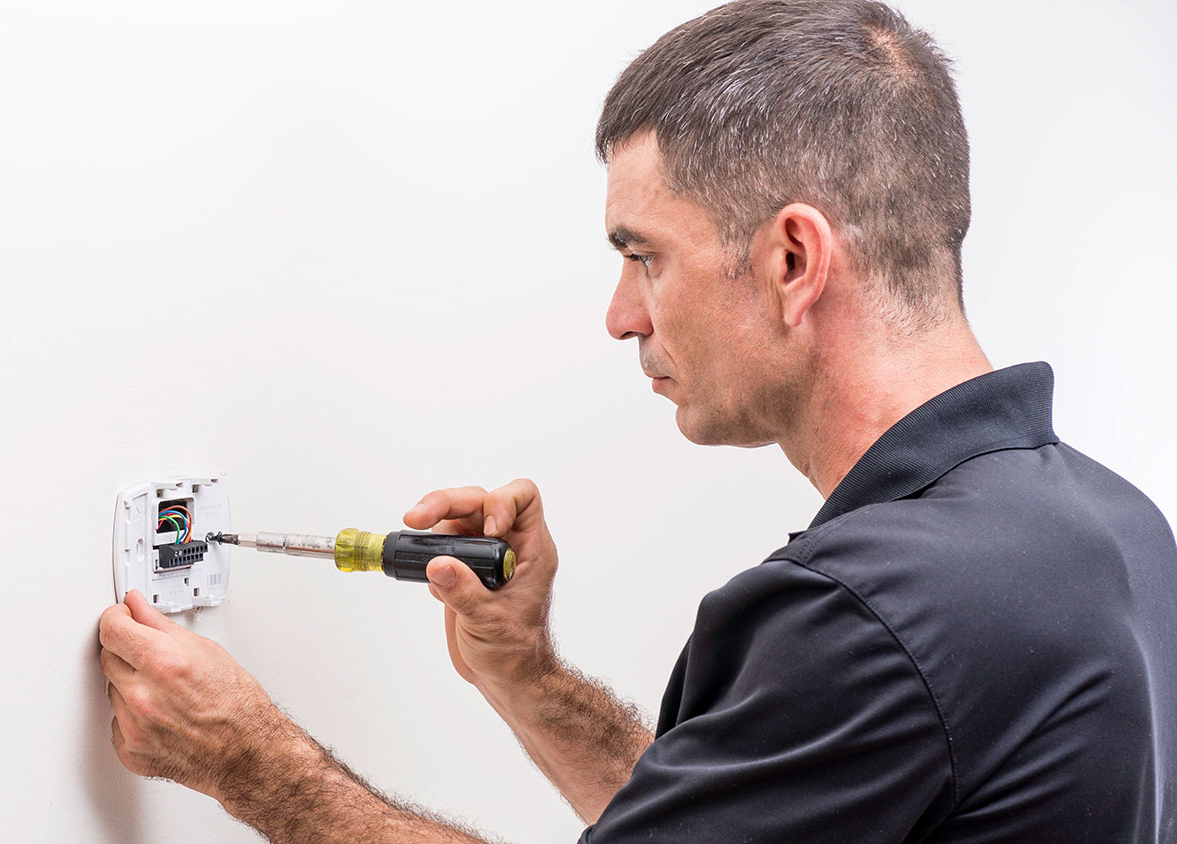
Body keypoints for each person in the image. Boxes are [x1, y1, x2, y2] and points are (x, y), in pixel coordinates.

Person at [98, 0, 1177, 840]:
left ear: (792, 259)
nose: (621, 318)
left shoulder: (873, 615)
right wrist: (529, 678)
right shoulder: (1113, 532)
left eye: (641, 254)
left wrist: (253, 764)